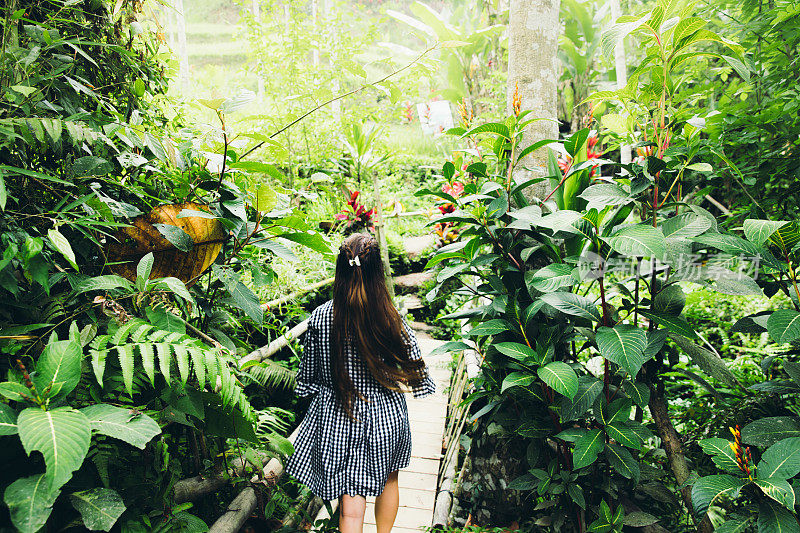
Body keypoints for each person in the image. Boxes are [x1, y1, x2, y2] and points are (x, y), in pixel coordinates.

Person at [285, 233, 436, 533]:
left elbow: (309, 376)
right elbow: (419, 372)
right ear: (377, 273)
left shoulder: (321, 317)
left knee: (351, 503)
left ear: (340, 271)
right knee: (389, 479)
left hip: (339, 415)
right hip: (386, 417)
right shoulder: (391, 318)